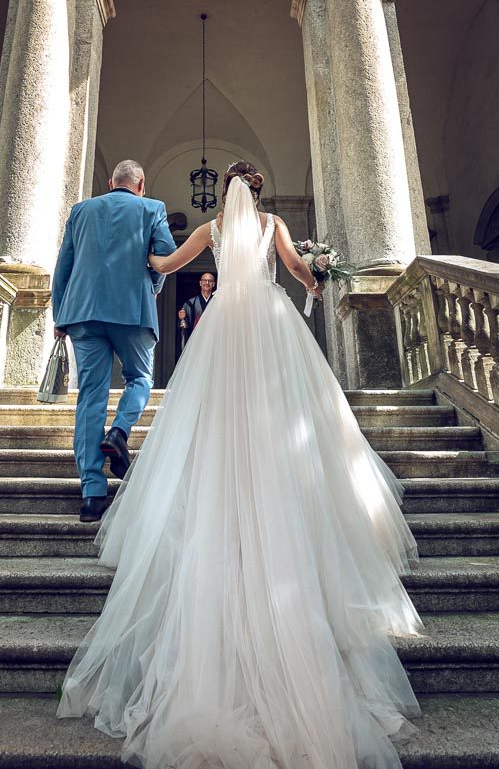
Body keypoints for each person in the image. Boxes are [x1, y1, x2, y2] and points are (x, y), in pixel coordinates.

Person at [58, 161, 422, 769]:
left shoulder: (207, 232)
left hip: (219, 326)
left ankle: (108, 474)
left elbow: (164, 266)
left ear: (225, 195)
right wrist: (318, 274)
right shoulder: (275, 223)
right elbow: (303, 271)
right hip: (271, 326)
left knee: (205, 415)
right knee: (284, 409)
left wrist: (121, 267)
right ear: (258, 194)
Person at [50, 158, 176, 524]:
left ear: (110, 183)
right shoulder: (152, 208)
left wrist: (61, 315)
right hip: (132, 310)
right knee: (140, 379)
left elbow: (65, 266)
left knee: (90, 397)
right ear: (140, 185)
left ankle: (91, 495)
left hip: (83, 312)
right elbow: (164, 258)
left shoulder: (81, 210)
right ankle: (119, 432)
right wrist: (150, 289)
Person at [175, 270, 216, 353]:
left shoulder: (218, 302)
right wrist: (182, 319)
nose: (207, 283)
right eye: (204, 280)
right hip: (196, 341)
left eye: (210, 281)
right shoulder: (190, 303)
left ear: (213, 284)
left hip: (214, 340)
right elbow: (184, 325)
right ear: (200, 283)